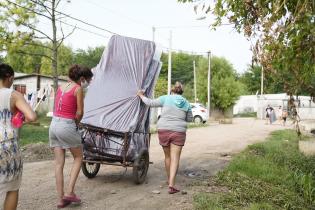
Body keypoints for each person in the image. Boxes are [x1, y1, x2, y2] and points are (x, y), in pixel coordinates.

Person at [49, 65, 93, 208]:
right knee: (79, 157)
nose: (88, 83)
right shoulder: (78, 88)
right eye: (88, 80)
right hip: (67, 125)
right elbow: (80, 112)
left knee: (58, 163)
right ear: (82, 79)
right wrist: (77, 124)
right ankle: (69, 192)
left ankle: (61, 199)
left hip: (53, 125)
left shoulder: (62, 86)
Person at [137, 82, 193, 194]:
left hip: (164, 129)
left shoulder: (165, 98)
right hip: (178, 131)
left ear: (172, 91)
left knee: (167, 157)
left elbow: (150, 103)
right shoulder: (186, 103)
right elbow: (190, 118)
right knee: (175, 158)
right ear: (182, 92)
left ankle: (169, 180)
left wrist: (141, 95)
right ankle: (172, 184)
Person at [0, 63, 37, 210]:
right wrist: (20, 119)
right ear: (10, 78)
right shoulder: (13, 95)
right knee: (12, 187)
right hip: (8, 146)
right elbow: (32, 116)